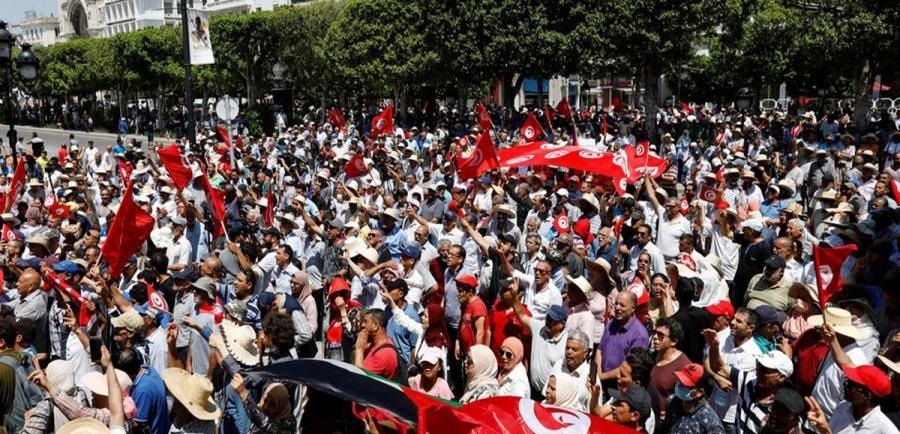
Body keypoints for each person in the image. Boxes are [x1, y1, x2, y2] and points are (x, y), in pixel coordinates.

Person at [806, 365, 899, 434]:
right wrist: (823, 428)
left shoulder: (886, 430)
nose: (845, 386)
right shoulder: (843, 406)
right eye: (847, 382)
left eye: (851, 386)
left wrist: (825, 430)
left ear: (867, 396)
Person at [662, 363, 726, 434]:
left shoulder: (709, 422)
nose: (680, 386)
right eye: (680, 381)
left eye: (685, 385)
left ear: (699, 392)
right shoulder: (671, 401)